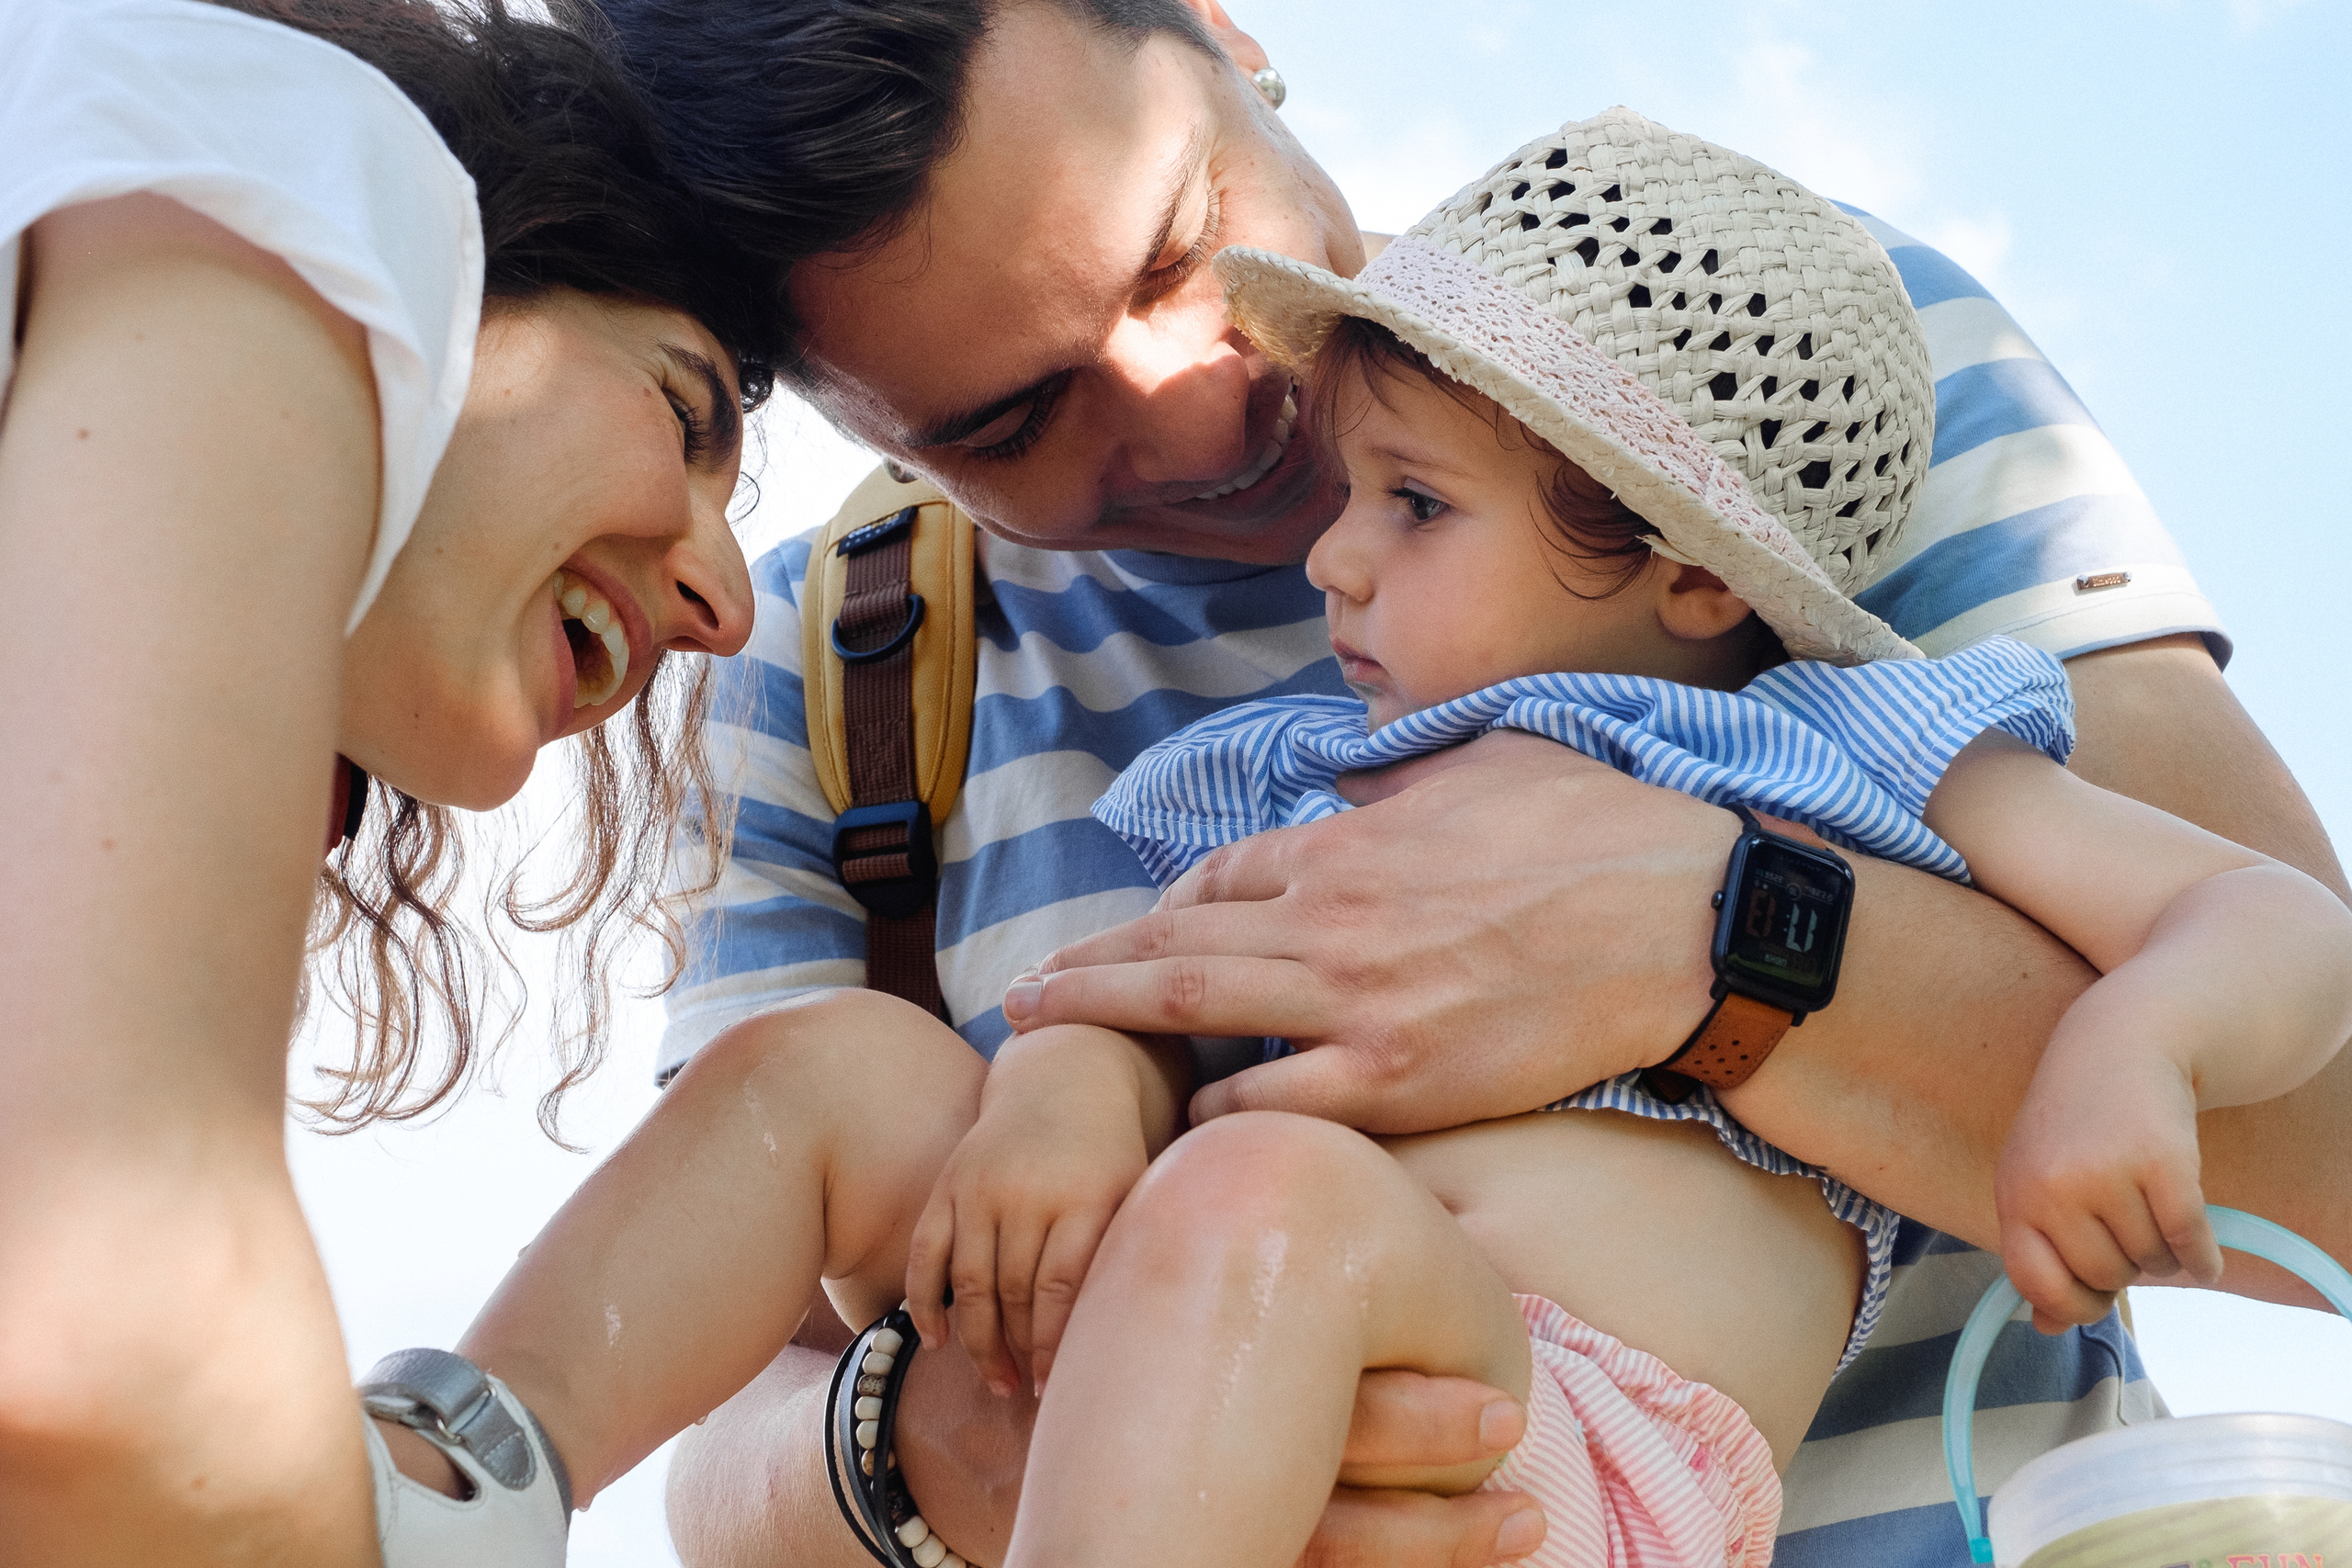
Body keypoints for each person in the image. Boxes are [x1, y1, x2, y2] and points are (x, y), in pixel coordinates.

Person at [345, 111, 2352, 1568]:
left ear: (1682, 565)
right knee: (837, 1069)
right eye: (993, 420)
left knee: (1259, 1194)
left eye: (1414, 504)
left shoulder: (1853, 738)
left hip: (1555, 1438)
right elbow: (1148, 992)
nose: (1330, 549)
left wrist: (2127, 1042)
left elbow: (2258, 921)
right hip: (1206, 1342)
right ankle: (453, 1469)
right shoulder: (1294, 761)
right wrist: (1060, 1089)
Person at [0, 0, 783, 1561]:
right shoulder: (293, 163)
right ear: (490, 247)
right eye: (680, 407)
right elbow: (120, 1333)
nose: (731, 605)